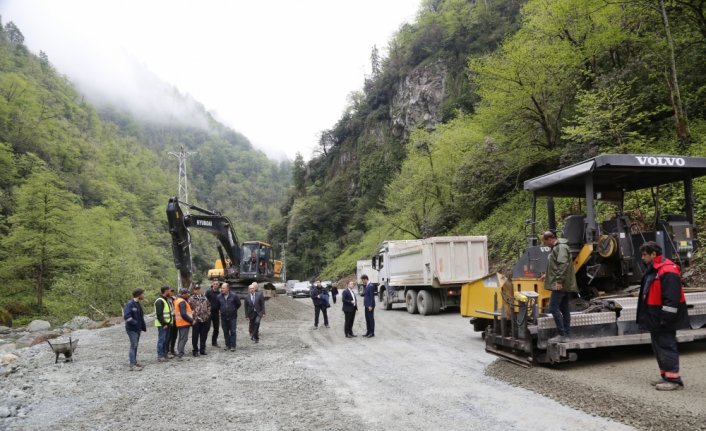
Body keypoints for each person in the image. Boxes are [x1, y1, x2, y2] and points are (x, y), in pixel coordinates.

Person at [637, 241, 689, 391]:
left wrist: (665, 319)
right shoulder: (654, 269)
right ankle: (666, 375)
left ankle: (674, 380)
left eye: (645, 254)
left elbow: (671, 299)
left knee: (666, 345)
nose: (642, 257)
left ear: (654, 254)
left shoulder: (667, 270)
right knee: (658, 347)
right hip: (655, 317)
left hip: (663, 318)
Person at [541, 231, 578, 343]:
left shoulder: (560, 247)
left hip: (561, 284)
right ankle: (566, 334)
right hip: (564, 283)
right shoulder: (559, 247)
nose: (546, 245)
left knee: (553, 307)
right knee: (564, 308)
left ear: (550, 239)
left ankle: (562, 334)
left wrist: (559, 281)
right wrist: (547, 275)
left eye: (545, 242)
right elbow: (557, 265)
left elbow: (562, 264)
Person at [123, 288, 146, 371]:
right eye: (143, 294)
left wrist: (141, 326)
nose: (144, 295)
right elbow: (126, 317)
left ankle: (134, 361)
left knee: (135, 345)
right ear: (139, 295)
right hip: (132, 329)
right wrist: (135, 323)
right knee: (133, 346)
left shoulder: (137, 304)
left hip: (137, 329)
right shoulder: (130, 304)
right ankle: (132, 365)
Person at [218, 282, 241, 351]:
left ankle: (233, 346)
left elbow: (238, 304)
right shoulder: (219, 296)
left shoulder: (234, 296)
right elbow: (218, 305)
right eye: (221, 288)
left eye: (223, 288)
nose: (222, 289)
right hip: (223, 317)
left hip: (232, 317)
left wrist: (233, 310)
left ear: (228, 288)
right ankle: (227, 345)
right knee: (225, 331)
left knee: (233, 331)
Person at [189, 284, 211, 356]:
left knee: (203, 336)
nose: (198, 290)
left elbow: (209, 306)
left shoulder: (205, 298)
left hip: (204, 319)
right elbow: (188, 309)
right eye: (196, 289)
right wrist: (192, 317)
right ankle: (195, 350)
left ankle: (202, 349)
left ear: (200, 289)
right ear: (194, 290)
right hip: (196, 320)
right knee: (195, 336)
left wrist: (207, 315)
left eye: (198, 289)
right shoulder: (191, 299)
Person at [173, 288, 194, 359]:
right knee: (183, 339)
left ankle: (180, 352)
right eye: (187, 293)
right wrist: (191, 320)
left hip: (180, 323)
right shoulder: (182, 302)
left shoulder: (177, 300)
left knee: (181, 338)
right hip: (183, 323)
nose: (189, 295)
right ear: (183, 294)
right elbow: (183, 314)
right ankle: (180, 354)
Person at [154, 286, 173, 362]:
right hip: (162, 325)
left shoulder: (166, 300)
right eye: (169, 290)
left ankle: (165, 354)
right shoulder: (159, 301)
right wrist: (164, 324)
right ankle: (160, 356)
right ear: (165, 291)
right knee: (162, 340)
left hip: (167, 324)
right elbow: (159, 314)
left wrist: (169, 323)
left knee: (166, 340)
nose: (170, 292)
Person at [206, 281, 222, 347]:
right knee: (207, 328)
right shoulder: (208, 292)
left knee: (216, 328)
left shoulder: (220, 293)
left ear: (218, 286)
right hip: (209, 312)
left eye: (216, 284)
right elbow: (204, 301)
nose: (215, 285)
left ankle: (214, 342)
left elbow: (221, 302)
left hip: (216, 313)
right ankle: (203, 342)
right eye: (214, 284)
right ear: (212, 285)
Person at [167, 287, 178, 357]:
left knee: (174, 336)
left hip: (175, 319)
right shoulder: (164, 299)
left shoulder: (174, 299)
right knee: (168, 336)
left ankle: (172, 349)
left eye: (172, 291)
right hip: (168, 320)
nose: (172, 293)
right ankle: (167, 351)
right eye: (170, 291)